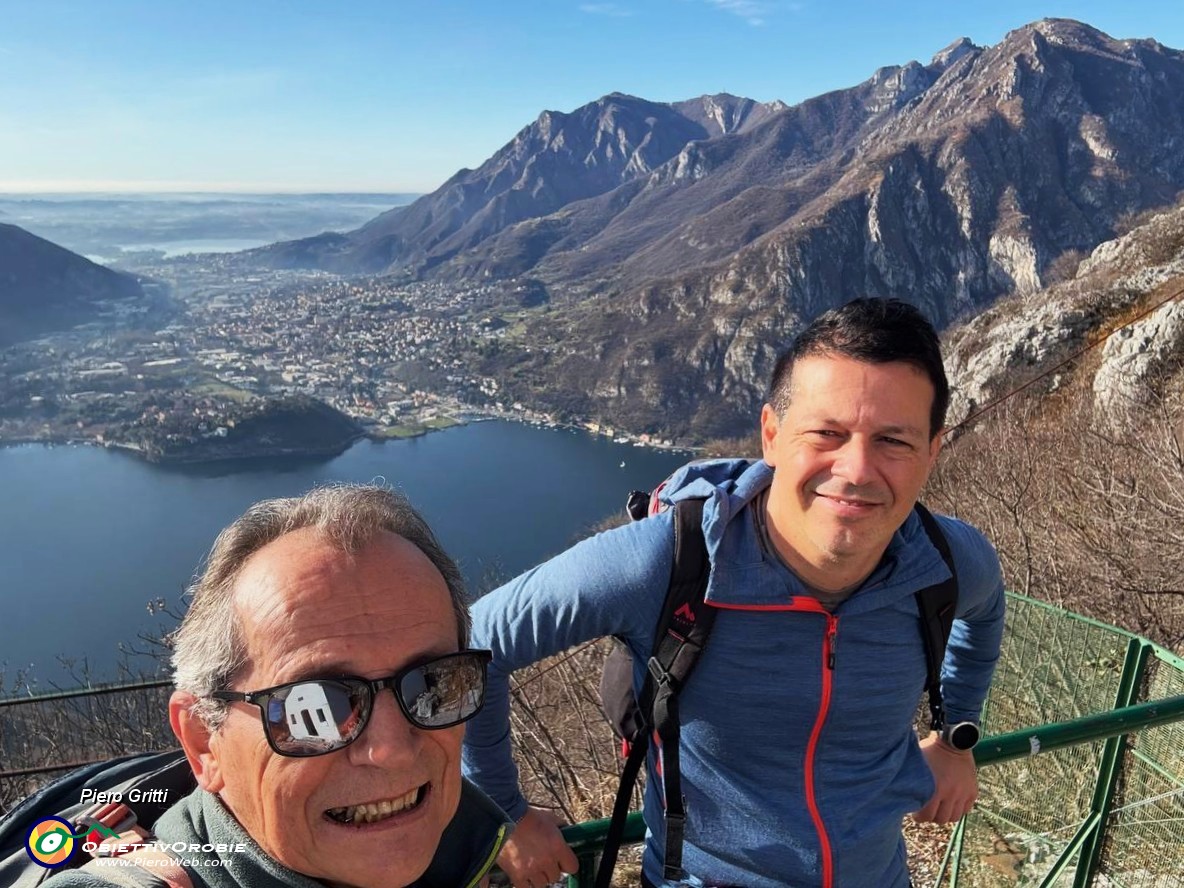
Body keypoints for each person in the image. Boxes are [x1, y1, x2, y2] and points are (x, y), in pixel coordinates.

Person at [462, 298, 1007, 888]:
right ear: (771, 435)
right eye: (826, 433)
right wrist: (501, 816)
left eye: (893, 441)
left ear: (932, 450)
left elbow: (985, 613)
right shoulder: (668, 563)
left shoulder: (945, 563)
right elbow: (472, 643)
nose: (855, 469)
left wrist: (956, 736)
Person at [49, 485, 510, 888]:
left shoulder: (468, 841)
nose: (393, 750)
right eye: (314, 708)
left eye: (432, 685)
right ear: (204, 742)